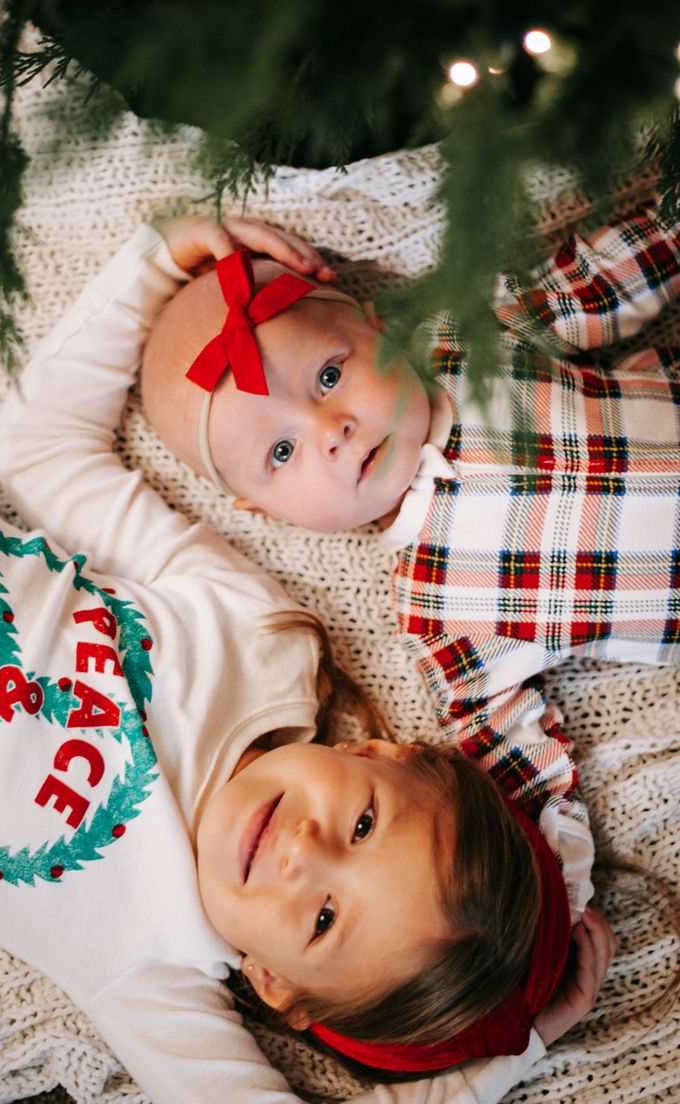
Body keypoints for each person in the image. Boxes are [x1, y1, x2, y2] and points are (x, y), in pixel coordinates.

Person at [0, 216, 614, 1104]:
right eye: (365, 825)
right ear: (377, 755)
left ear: (275, 984)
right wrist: (157, 265)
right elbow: (40, 450)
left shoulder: (149, 958)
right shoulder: (253, 638)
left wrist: (511, 1059)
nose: (304, 852)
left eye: (327, 919)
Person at [138, 202, 680, 926]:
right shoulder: (434, 609)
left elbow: (595, 284)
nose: (331, 432)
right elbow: (513, 748)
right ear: (267, 513)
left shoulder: (471, 338)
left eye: (330, 376)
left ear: (381, 330)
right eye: (281, 452)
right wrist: (565, 897)